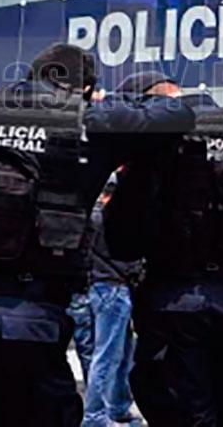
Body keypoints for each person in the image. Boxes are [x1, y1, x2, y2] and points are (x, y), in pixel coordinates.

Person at [0, 44, 195, 426]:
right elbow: (176, 113)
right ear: (85, 89)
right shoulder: (87, 124)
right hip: (29, 318)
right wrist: (110, 102)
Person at [103, 72, 223, 426]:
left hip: (177, 298)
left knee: (182, 411)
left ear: (149, 102)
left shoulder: (159, 138)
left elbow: (123, 237)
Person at [81, 176, 144, 427]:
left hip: (100, 287)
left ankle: (118, 406)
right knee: (108, 356)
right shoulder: (109, 219)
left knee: (121, 353)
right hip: (114, 288)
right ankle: (95, 414)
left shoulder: (90, 216)